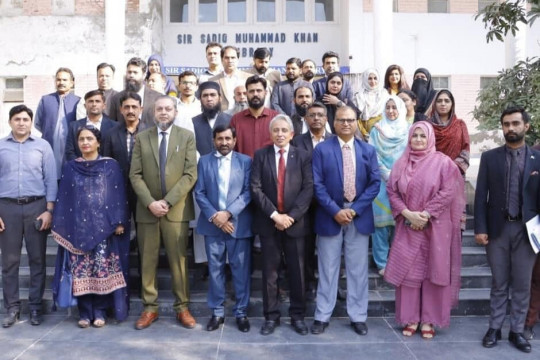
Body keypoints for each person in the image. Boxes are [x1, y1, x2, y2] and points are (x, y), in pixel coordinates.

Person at [384, 121, 464, 339]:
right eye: (414, 136)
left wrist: (426, 214)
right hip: (408, 225)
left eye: (422, 136)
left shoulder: (444, 163)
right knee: (409, 273)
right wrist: (408, 214)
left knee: (432, 272)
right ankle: (410, 317)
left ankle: (429, 319)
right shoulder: (401, 164)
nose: (418, 140)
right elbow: (392, 191)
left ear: (430, 138)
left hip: (435, 227)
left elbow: (448, 192)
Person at [475, 107, 540, 353]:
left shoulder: (538, 160)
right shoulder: (490, 158)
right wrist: (480, 228)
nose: (510, 128)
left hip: (527, 232)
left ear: (526, 127)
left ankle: (517, 331)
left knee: (523, 284)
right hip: (497, 230)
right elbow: (481, 196)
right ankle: (494, 327)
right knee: (499, 283)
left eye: (515, 123)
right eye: (506, 124)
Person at [311, 106, 380, 336]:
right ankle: (322, 315)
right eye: (341, 120)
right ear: (334, 122)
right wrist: (335, 211)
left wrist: (355, 210)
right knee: (327, 269)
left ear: (356, 122)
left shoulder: (368, 150)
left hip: (358, 216)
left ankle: (358, 316)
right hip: (330, 215)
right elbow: (317, 185)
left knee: (358, 270)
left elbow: (375, 183)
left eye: (351, 120)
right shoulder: (322, 150)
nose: (346, 124)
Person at [129, 95, 198, 330]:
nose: (164, 113)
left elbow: (190, 174)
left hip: (175, 210)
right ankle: (150, 308)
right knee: (147, 261)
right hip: (147, 211)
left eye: (168, 109)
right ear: (152, 113)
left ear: (175, 112)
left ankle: (182, 307)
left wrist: (167, 202)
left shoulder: (186, 137)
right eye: (159, 109)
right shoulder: (141, 138)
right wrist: (150, 202)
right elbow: (134, 174)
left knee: (179, 262)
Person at [51, 126, 130, 328]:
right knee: (81, 272)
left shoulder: (110, 166)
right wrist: (62, 226)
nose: (85, 142)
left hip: (105, 229)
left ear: (98, 142)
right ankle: (85, 313)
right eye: (81, 139)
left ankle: (100, 312)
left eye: (89, 138)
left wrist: (119, 221)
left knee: (101, 270)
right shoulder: (70, 167)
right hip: (78, 230)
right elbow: (64, 199)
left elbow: (118, 194)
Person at [250, 114, 313, 336]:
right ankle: (271, 316)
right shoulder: (260, 155)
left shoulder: (303, 156)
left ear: (291, 134)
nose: (279, 134)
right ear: (270, 133)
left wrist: (291, 217)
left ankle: (297, 316)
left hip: (295, 225)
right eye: (275, 130)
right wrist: (275, 216)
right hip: (269, 224)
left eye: (284, 130)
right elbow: (255, 188)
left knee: (297, 272)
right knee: (270, 273)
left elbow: (308, 190)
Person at [0, 105, 57, 328]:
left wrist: (49, 210)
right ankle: (12, 309)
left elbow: (51, 180)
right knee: (9, 262)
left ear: (31, 122)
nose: (21, 123)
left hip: (36, 207)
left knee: (37, 260)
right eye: (17, 119)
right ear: (10, 122)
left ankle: (35, 307)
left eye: (25, 119)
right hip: (7, 209)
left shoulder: (43, 146)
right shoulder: (1, 147)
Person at [194, 125, 253, 333]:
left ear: (235, 140)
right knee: (215, 270)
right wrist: (215, 216)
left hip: (237, 225)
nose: (224, 142)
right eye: (220, 139)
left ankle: (241, 312)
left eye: (228, 138)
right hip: (212, 225)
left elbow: (248, 193)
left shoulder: (245, 162)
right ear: (214, 140)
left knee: (240, 270)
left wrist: (227, 214)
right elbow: (199, 192)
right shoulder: (204, 161)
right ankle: (217, 312)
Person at [291, 102, 334, 299]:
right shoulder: (297, 142)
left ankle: (333, 286)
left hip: (329, 204)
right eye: (312, 115)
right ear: (306, 119)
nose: (316, 118)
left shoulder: (335, 140)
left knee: (331, 250)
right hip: (305, 204)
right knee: (306, 248)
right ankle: (307, 284)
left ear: (326, 119)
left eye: (320, 115)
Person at [368, 96, 410, 276]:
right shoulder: (376, 131)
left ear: (401, 109)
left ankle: (399, 261)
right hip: (381, 184)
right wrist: (387, 174)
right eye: (388, 107)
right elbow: (372, 154)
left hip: (404, 184)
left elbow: (412, 155)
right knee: (381, 225)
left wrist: (400, 176)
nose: (391, 111)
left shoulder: (408, 131)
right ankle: (382, 263)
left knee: (401, 223)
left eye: (394, 107)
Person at [34, 67, 81, 179]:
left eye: (65, 80)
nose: (61, 82)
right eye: (58, 80)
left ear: (72, 82)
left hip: (70, 149)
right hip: (49, 147)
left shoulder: (78, 101)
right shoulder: (45, 100)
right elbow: (38, 123)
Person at [229, 75, 280, 158]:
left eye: (259, 90)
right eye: (251, 91)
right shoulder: (236, 119)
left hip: (270, 169)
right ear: (247, 94)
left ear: (265, 93)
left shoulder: (276, 118)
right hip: (244, 169)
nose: (255, 94)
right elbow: (232, 148)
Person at [108, 57, 162, 128]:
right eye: (129, 72)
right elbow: (112, 126)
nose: (131, 75)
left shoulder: (157, 98)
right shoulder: (116, 99)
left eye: (135, 72)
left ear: (144, 75)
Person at [65, 90, 117, 161]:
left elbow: (116, 152)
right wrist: (81, 165)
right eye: (90, 101)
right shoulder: (74, 126)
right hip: (81, 169)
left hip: (106, 168)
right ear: (85, 106)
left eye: (97, 101)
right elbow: (69, 151)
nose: (94, 104)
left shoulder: (114, 126)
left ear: (104, 106)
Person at [428, 90, 470, 178]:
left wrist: (451, 168)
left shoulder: (460, 125)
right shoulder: (427, 126)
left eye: (447, 101)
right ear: (434, 104)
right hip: (431, 174)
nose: (443, 104)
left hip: (455, 173)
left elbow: (465, 150)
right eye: (439, 101)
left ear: (452, 104)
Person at [192, 81, 232, 156]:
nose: (209, 99)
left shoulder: (231, 120)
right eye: (205, 95)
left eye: (213, 95)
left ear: (220, 98)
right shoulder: (193, 122)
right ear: (200, 99)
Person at [210, 46, 251, 111]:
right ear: (222, 59)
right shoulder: (213, 80)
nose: (230, 61)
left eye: (233, 57)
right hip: (222, 118)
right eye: (227, 58)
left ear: (238, 59)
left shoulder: (249, 78)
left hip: (246, 117)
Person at [355, 68, 388, 140]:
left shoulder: (384, 94)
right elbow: (356, 116)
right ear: (365, 79)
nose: (373, 81)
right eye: (369, 78)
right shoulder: (358, 95)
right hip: (362, 130)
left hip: (381, 131)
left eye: (375, 78)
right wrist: (364, 132)